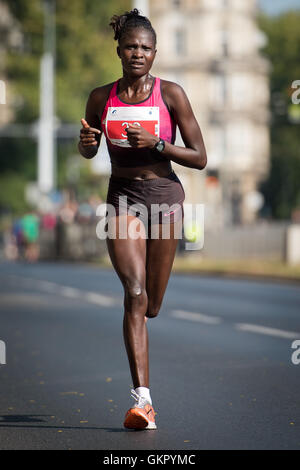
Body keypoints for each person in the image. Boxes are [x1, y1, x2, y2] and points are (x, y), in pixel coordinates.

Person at [78, 8, 207, 430]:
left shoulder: (171, 94)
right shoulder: (101, 98)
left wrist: (159, 143)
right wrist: (86, 143)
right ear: (119, 50)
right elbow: (89, 150)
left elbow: (201, 158)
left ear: (155, 54)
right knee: (133, 295)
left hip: (165, 199)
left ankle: (149, 308)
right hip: (123, 199)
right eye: (131, 46)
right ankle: (143, 401)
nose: (138, 53)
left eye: (146, 48)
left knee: (152, 303)